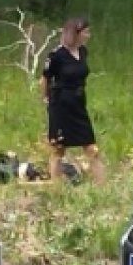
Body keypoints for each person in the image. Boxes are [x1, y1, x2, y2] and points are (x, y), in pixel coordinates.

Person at [40, 17, 105, 183]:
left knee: (91, 147)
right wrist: (46, 98)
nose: (88, 35)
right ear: (75, 34)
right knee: (58, 149)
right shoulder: (56, 55)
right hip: (61, 103)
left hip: (78, 102)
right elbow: (45, 79)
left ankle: (102, 186)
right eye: (85, 32)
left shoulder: (83, 52)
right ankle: (56, 187)